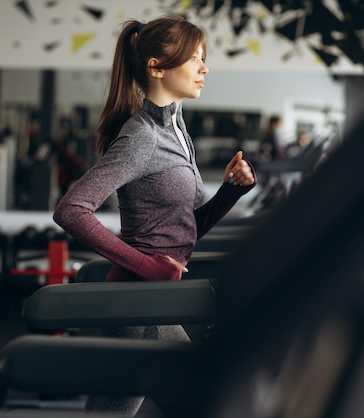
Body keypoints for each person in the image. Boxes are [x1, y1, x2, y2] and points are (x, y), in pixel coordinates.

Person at [52, 15, 257, 416]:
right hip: (134, 300)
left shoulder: (176, 131)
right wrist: (147, 267)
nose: (204, 68)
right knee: (200, 397)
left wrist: (231, 192)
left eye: (204, 57)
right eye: (193, 58)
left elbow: (179, 232)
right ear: (157, 67)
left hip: (152, 297)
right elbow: (71, 210)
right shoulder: (143, 135)